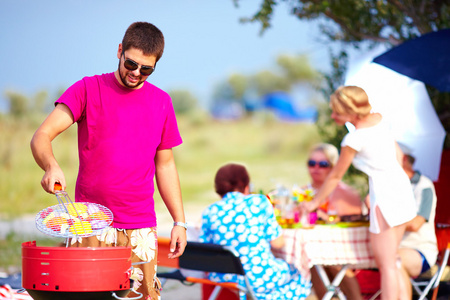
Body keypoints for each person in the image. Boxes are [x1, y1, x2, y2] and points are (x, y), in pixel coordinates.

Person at [30, 22, 187, 299]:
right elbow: (42, 136)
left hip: (141, 228)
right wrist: (51, 165)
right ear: (119, 51)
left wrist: (179, 222)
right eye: (131, 63)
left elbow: (165, 165)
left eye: (146, 69)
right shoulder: (87, 89)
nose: (136, 73)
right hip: (90, 224)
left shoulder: (162, 102)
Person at [302, 86, 416, 300]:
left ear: (351, 111)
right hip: (401, 192)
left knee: (387, 265)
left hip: (385, 196)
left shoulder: (354, 139)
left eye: (337, 112)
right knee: (394, 261)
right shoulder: (380, 123)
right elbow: (400, 158)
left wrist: (313, 203)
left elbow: (335, 176)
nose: (334, 116)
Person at [199, 163, 311, 300]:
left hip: (224, 279)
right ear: (247, 186)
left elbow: (205, 253)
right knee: (296, 273)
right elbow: (277, 243)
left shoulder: (209, 211)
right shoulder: (259, 202)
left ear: (218, 189)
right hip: (259, 277)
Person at [303, 143, 365, 299]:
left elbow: (354, 222)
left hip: (345, 250)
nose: (316, 168)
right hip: (313, 248)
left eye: (322, 164)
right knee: (310, 258)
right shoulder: (302, 192)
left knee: (327, 262)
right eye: (312, 163)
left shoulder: (345, 193)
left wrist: (325, 218)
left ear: (332, 167)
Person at [398, 144, 438, 299]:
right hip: (391, 246)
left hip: (420, 250)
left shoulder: (424, 186)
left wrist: (386, 219)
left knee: (394, 261)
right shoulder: (388, 186)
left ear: (404, 159)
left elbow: (415, 224)